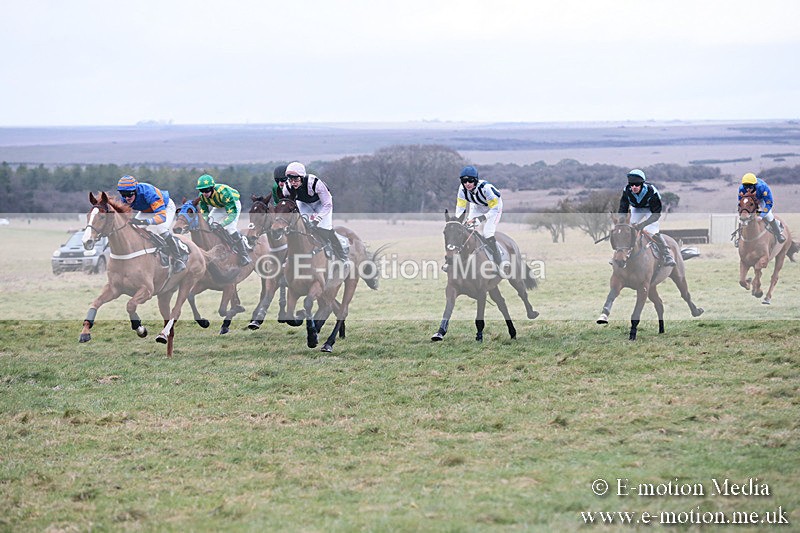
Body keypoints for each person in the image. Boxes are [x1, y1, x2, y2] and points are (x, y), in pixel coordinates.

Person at [117, 175, 187, 273]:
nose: (127, 197)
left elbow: (162, 217)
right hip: (146, 210)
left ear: (136, 190)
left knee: (161, 229)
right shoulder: (124, 199)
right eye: (123, 194)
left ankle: (179, 259)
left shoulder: (149, 193)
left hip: (165, 208)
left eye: (129, 193)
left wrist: (145, 222)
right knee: (132, 228)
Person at [281, 161, 347, 261]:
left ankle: (341, 255)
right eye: (290, 179)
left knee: (325, 229)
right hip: (303, 203)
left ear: (302, 177)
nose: (293, 182)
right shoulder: (287, 188)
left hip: (321, 204)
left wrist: (317, 219)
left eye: (296, 179)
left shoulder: (315, 183)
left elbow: (327, 204)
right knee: (304, 227)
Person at [618, 168, 675, 267]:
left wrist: (643, 224)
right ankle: (621, 255)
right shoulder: (626, 190)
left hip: (651, 210)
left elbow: (656, 214)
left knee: (653, 231)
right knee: (628, 229)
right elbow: (623, 207)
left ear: (642, 184)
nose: (634, 187)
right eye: (632, 185)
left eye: (637, 185)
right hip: (637, 209)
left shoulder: (651, 191)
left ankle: (667, 255)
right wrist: (622, 221)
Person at [454, 165, 505, 271]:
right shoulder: (462, 189)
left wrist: (480, 219)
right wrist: (457, 222)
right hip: (477, 207)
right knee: (464, 229)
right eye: (464, 181)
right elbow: (460, 208)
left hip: (494, 208)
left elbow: (494, 209)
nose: (467, 184)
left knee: (487, 233)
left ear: (476, 180)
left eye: (470, 180)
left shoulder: (486, 189)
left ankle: (499, 263)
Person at [195, 174, 252, 266]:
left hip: (233, 204)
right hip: (219, 206)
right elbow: (204, 212)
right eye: (202, 190)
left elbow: (232, 214)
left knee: (230, 228)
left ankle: (244, 254)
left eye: (207, 190)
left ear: (212, 188)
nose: (204, 193)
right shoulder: (201, 196)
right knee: (208, 224)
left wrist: (222, 224)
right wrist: (207, 221)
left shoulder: (224, 193)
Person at [738, 172, 785, 243]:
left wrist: (762, 215)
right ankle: (739, 238)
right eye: (746, 186)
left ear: (755, 185)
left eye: (750, 187)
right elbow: (741, 202)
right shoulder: (741, 188)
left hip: (762, 200)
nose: (748, 189)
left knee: (769, 216)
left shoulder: (763, 188)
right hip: (749, 201)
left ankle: (779, 235)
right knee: (742, 218)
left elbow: (769, 203)